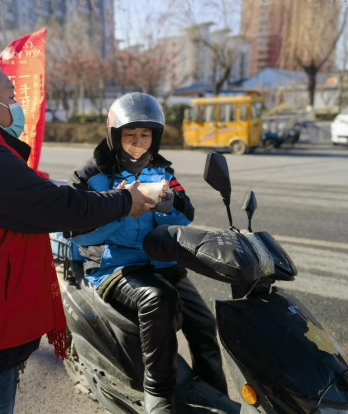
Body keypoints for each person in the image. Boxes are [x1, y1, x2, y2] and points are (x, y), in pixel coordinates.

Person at [0, 55, 154, 414]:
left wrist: (34, 188)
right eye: (9, 97)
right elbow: (62, 208)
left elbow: (16, 201)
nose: (15, 105)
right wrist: (126, 199)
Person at [67, 93, 228, 414]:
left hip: (162, 263)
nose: (138, 144)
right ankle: (158, 396)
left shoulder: (162, 170)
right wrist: (123, 207)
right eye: (130, 136)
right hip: (113, 268)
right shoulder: (90, 177)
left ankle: (215, 393)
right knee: (160, 299)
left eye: (146, 135)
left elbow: (186, 213)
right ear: (114, 136)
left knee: (203, 322)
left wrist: (169, 205)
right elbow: (78, 231)